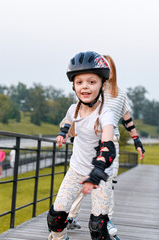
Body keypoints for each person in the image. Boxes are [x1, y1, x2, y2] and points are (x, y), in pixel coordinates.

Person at [66, 55, 146, 237]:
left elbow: (128, 122)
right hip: (87, 141)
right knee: (80, 180)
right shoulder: (91, 90)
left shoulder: (120, 95)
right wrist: (71, 134)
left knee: (106, 182)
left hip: (110, 144)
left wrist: (137, 141)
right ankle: (69, 216)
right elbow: (76, 114)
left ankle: (106, 220)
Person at [47, 51, 116, 240]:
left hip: (100, 174)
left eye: (92, 82)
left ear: (102, 84)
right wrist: (63, 133)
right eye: (79, 82)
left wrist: (98, 171)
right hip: (76, 171)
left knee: (98, 227)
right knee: (55, 219)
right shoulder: (73, 109)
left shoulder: (106, 113)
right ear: (74, 86)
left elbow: (108, 146)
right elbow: (68, 121)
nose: (85, 86)